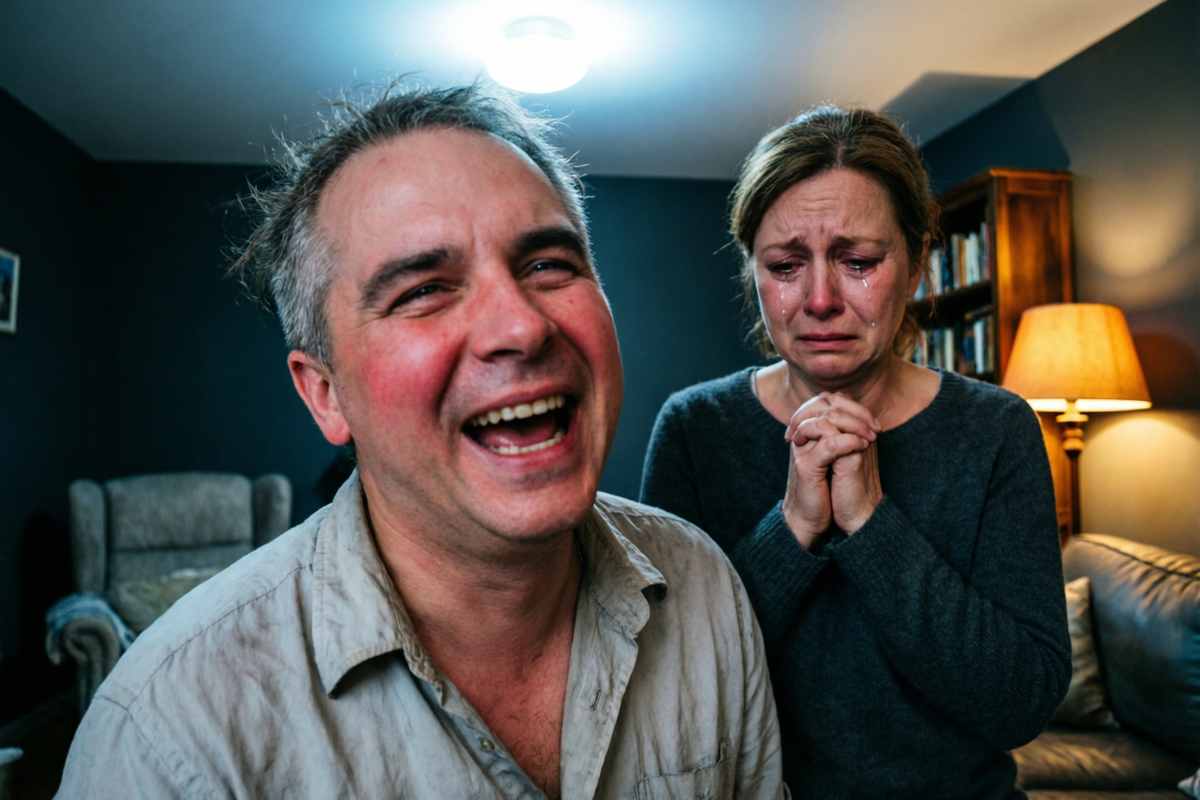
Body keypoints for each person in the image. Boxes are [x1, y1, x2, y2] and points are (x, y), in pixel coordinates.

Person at [56, 83, 784, 799]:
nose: (522, 326)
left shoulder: (705, 589)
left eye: (547, 265)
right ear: (325, 394)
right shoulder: (166, 738)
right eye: (424, 290)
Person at [640, 105, 1071, 798]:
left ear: (918, 263)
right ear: (753, 272)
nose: (820, 299)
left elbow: (1022, 704)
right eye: (786, 266)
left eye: (859, 262)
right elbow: (667, 687)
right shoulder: (696, 429)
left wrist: (872, 523)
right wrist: (792, 528)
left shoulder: (997, 430)